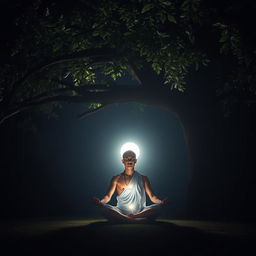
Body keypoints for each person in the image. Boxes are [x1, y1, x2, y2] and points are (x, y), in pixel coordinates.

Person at [92, 150, 170, 223]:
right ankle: (132, 219)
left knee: (159, 208)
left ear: (135, 161)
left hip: (141, 211)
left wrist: (161, 202)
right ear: (122, 161)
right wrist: (100, 202)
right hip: (121, 211)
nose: (129, 160)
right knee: (104, 208)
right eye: (126, 158)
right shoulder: (116, 178)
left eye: (132, 158)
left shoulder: (143, 178)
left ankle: (130, 218)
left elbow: (152, 196)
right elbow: (108, 196)